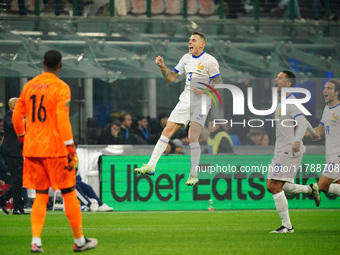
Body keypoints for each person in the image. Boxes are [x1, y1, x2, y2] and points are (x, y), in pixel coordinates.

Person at [12, 50, 97, 253]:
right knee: (68, 193)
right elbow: (61, 118)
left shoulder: (29, 85)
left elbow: (17, 116)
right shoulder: (61, 87)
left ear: (42, 63)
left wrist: (22, 138)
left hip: (33, 149)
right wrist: (69, 145)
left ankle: (36, 241)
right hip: (56, 149)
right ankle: (79, 241)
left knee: (41, 195)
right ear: (60, 65)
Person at [134, 31, 222, 186]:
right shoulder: (185, 58)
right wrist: (162, 67)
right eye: (189, 40)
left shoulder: (210, 61)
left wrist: (204, 90)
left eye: (194, 40)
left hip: (202, 101)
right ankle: (151, 165)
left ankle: (194, 174)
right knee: (168, 128)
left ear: (202, 44)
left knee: (192, 135)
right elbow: (171, 77)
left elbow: (219, 85)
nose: (190, 42)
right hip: (186, 98)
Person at [266, 70, 321, 234]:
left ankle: (287, 227)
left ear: (288, 84)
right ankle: (311, 189)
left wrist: (298, 140)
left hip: (289, 150)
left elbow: (301, 122)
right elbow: (304, 120)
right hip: (281, 150)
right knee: (284, 187)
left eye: (280, 78)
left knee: (274, 186)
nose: (276, 79)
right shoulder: (285, 102)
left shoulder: (289, 102)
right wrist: (313, 133)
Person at [311, 79, 340, 199]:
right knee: (336, 186)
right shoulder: (327, 109)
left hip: (337, 157)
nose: (325, 91)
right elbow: (319, 131)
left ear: (337, 92)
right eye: (324, 88)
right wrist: (299, 132)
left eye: (329, 88)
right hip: (330, 156)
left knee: (321, 185)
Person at [0, 98, 29, 215]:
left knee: (20, 179)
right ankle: (17, 208)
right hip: (11, 151)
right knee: (18, 179)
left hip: (17, 151)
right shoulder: (9, 115)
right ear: (13, 107)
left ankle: (4, 200)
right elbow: (14, 126)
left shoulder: (18, 117)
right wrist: (27, 119)